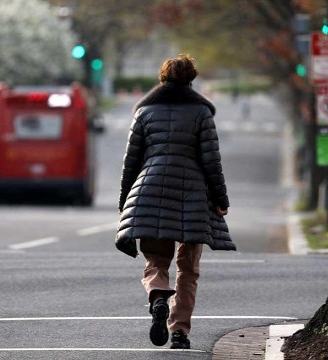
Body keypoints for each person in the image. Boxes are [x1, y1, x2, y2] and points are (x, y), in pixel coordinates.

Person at [115, 54, 235, 349]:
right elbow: (211, 161)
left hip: (150, 191)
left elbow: (131, 161)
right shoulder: (202, 114)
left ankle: (158, 296)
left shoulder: (144, 112)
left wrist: (125, 200)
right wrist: (221, 199)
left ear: (162, 78)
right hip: (192, 196)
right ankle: (180, 330)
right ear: (191, 79)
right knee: (188, 267)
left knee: (156, 259)